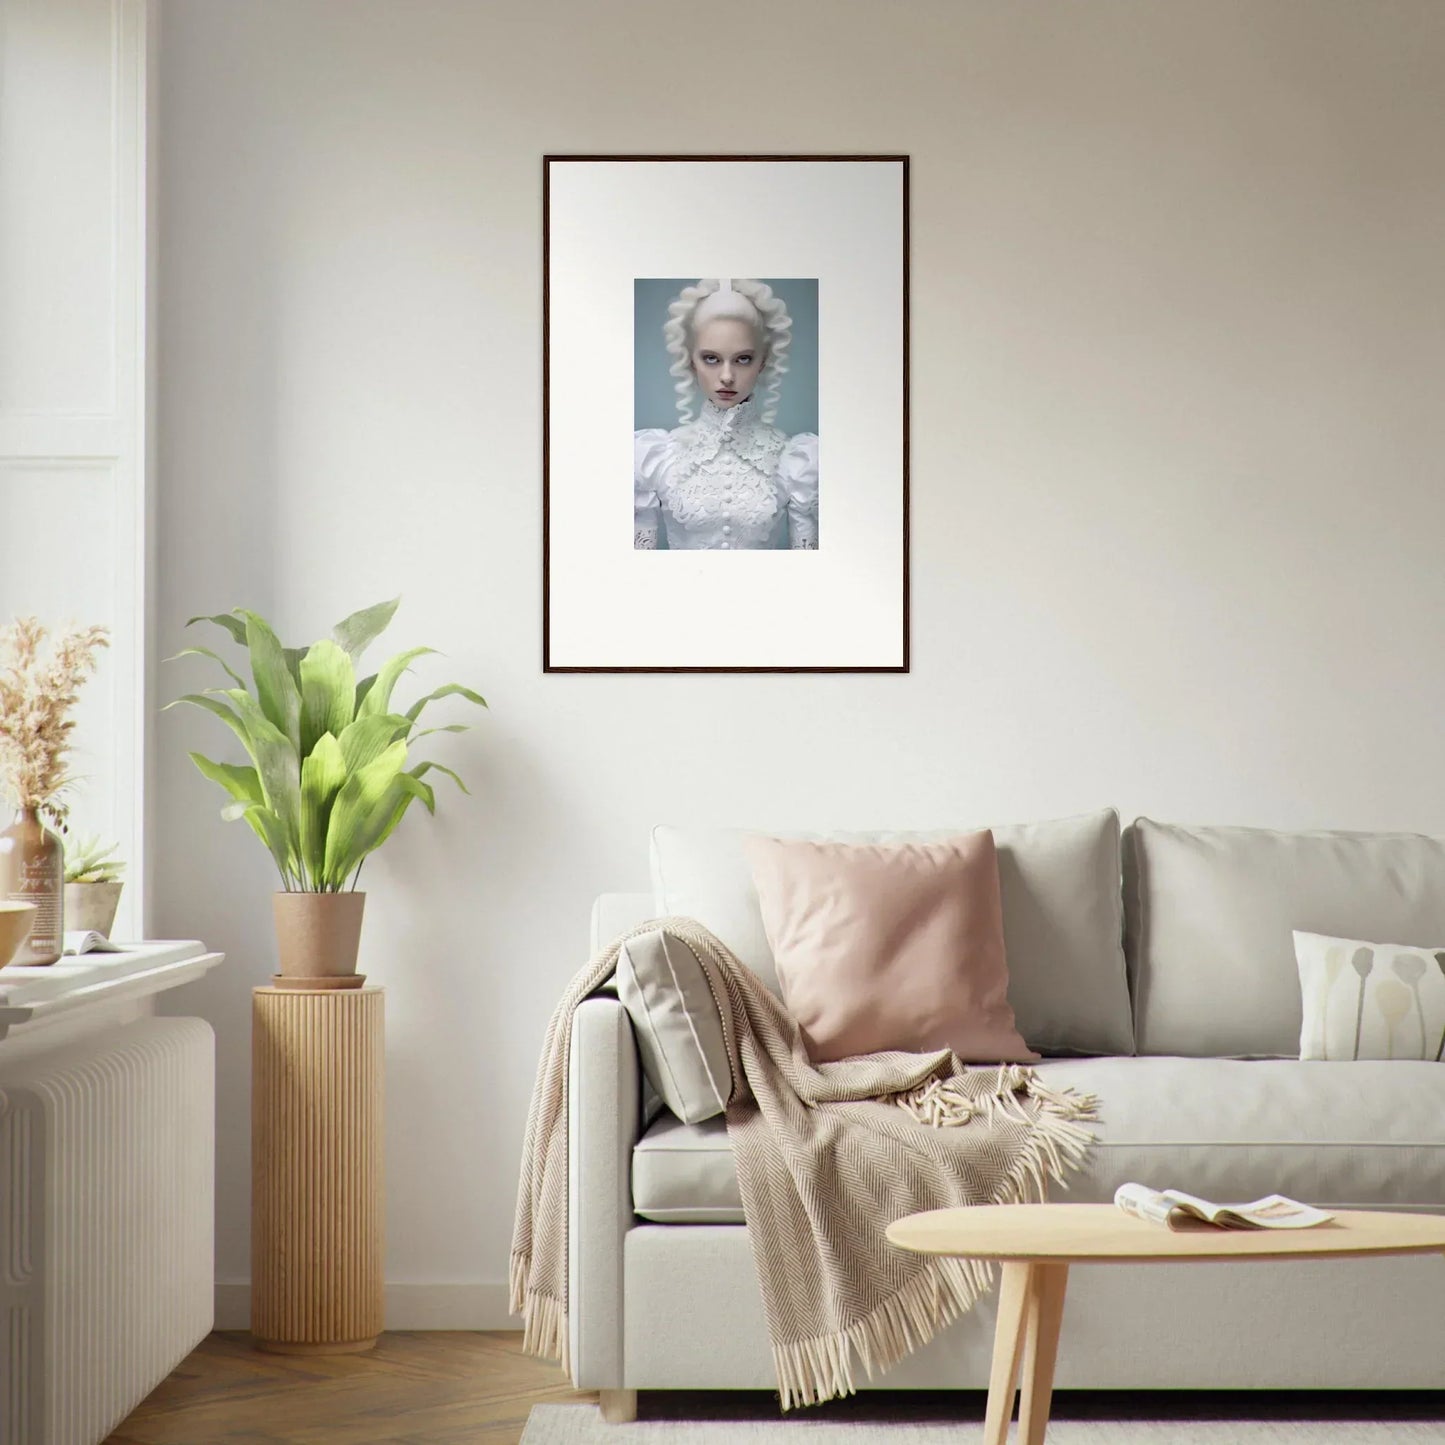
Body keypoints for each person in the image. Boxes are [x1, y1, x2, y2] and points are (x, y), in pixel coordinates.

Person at [634, 279, 819, 550]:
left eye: (743, 359)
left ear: (762, 362)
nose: (727, 376)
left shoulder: (796, 461)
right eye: (711, 358)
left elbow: (807, 565)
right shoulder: (656, 456)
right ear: (691, 361)